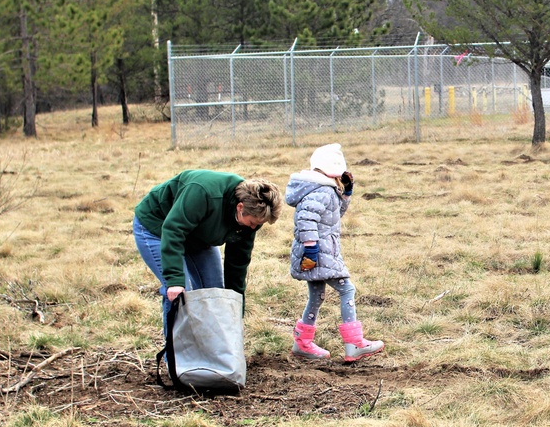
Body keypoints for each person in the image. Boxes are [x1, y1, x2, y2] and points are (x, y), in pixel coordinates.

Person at [133, 170, 283, 331]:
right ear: (240, 207)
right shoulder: (202, 192)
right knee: (180, 295)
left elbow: (237, 262)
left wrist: (235, 306)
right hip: (158, 229)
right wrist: (175, 280)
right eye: (252, 222)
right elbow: (173, 231)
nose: (254, 228)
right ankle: (176, 354)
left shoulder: (251, 218)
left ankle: (209, 348)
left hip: (197, 235)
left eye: (258, 224)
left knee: (215, 293)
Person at [286, 143, 384, 362]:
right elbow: (306, 219)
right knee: (347, 290)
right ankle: (355, 343)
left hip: (319, 253)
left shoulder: (322, 189)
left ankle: (302, 343)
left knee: (317, 295)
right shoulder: (320, 191)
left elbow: (333, 215)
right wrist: (312, 249)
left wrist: (346, 194)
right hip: (319, 253)